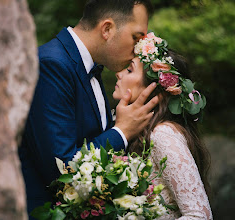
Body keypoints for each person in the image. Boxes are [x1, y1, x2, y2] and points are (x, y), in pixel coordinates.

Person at [18, 0, 158, 217]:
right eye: (136, 38)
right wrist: (121, 132)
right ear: (107, 29)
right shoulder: (51, 65)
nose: (138, 50)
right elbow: (61, 169)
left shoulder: (89, 67)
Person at [112, 32, 213, 219]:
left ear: (153, 87)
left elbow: (200, 215)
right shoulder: (135, 131)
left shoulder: (162, 134)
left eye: (129, 70)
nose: (118, 73)